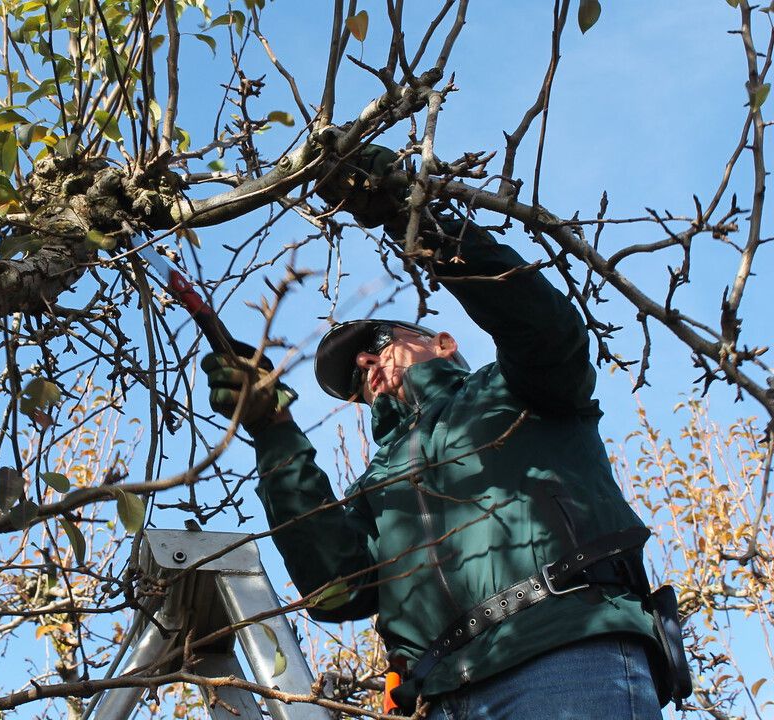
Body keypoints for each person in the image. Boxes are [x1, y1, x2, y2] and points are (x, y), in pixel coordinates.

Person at [202, 145, 690, 719]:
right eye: (355, 378)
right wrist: (273, 429)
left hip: (565, 648)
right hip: (437, 698)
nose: (365, 365)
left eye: (377, 344)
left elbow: (545, 328)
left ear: (442, 343)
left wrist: (414, 218)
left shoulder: (514, 388)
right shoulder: (376, 485)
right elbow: (335, 589)